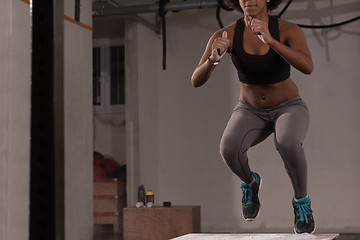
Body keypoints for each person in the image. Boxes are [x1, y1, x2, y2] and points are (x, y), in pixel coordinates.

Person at [191, 0, 315, 234]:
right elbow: (196, 80)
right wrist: (213, 60)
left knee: (287, 141)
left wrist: (271, 41)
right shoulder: (226, 34)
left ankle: (302, 203)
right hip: (250, 111)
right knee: (228, 148)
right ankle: (251, 183)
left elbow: (307, 67)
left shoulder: (288, 30)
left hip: (288, 107)